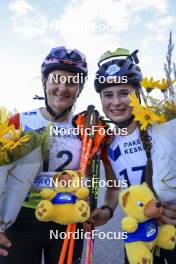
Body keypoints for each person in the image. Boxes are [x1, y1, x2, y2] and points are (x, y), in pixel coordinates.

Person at [0, 46, 119, 264]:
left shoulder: (88, 128)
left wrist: (108, 210)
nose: (63, 88)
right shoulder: (18, 121)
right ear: (44, 82)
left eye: (72, 82)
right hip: (21, 220)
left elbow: (114, 180)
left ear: (80, 89)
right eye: (56, 79)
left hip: (68, 221)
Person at [94, 48, 176, 264]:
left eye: (124, 93)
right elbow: (113, 187)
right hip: (139, 235)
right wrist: (107, 210)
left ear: (138, 94)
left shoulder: (161, 129)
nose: (116, 102)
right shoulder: (107, 142)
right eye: (108, 95)